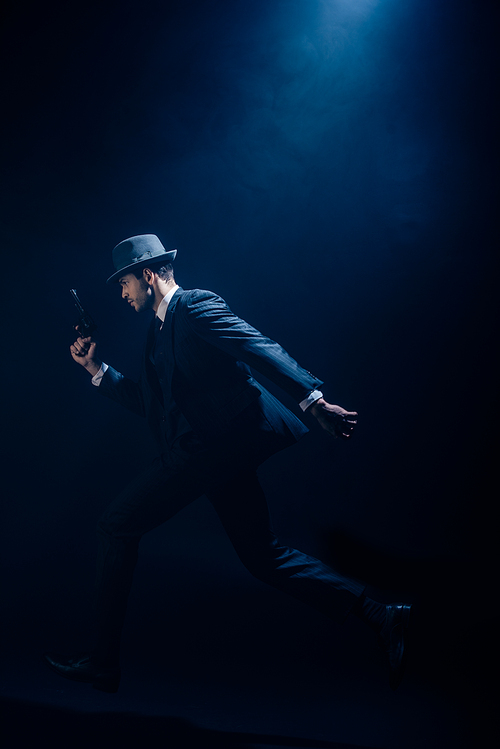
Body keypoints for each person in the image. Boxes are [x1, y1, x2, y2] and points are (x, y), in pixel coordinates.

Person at [44, 234, 411, 693]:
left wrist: (313, 401)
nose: (122, 294)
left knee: (115, 526)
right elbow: (153, 404)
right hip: (211, 455)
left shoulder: (194, 307)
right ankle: (382, 614)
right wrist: (97, 371)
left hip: (206, 452)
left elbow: (257, 346)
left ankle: (101, 662)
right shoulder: (157, 331)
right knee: (262, 555)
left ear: (149, 275)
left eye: (125, 283)